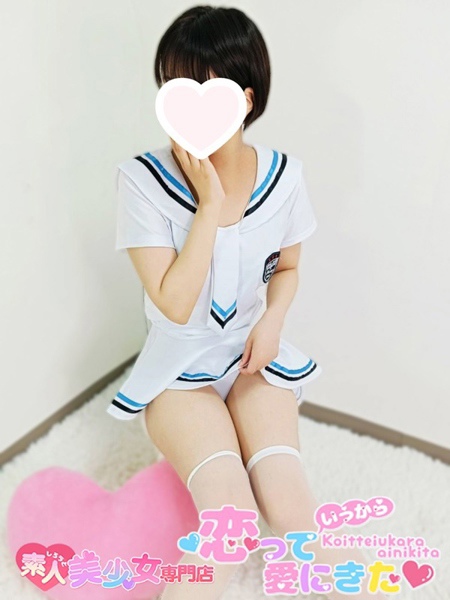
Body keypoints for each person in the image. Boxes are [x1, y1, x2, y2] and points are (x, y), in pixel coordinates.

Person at [109, 6, 387, 600]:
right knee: (230, 526)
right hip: (180, 372)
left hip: (254, 359)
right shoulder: (141, 180)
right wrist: (208, 205)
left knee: (293, 514)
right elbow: (174, 304)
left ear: (245, 98)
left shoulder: (285, 176)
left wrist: (273, 321)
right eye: (173, 88)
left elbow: (287, 268)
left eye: (203, 89)